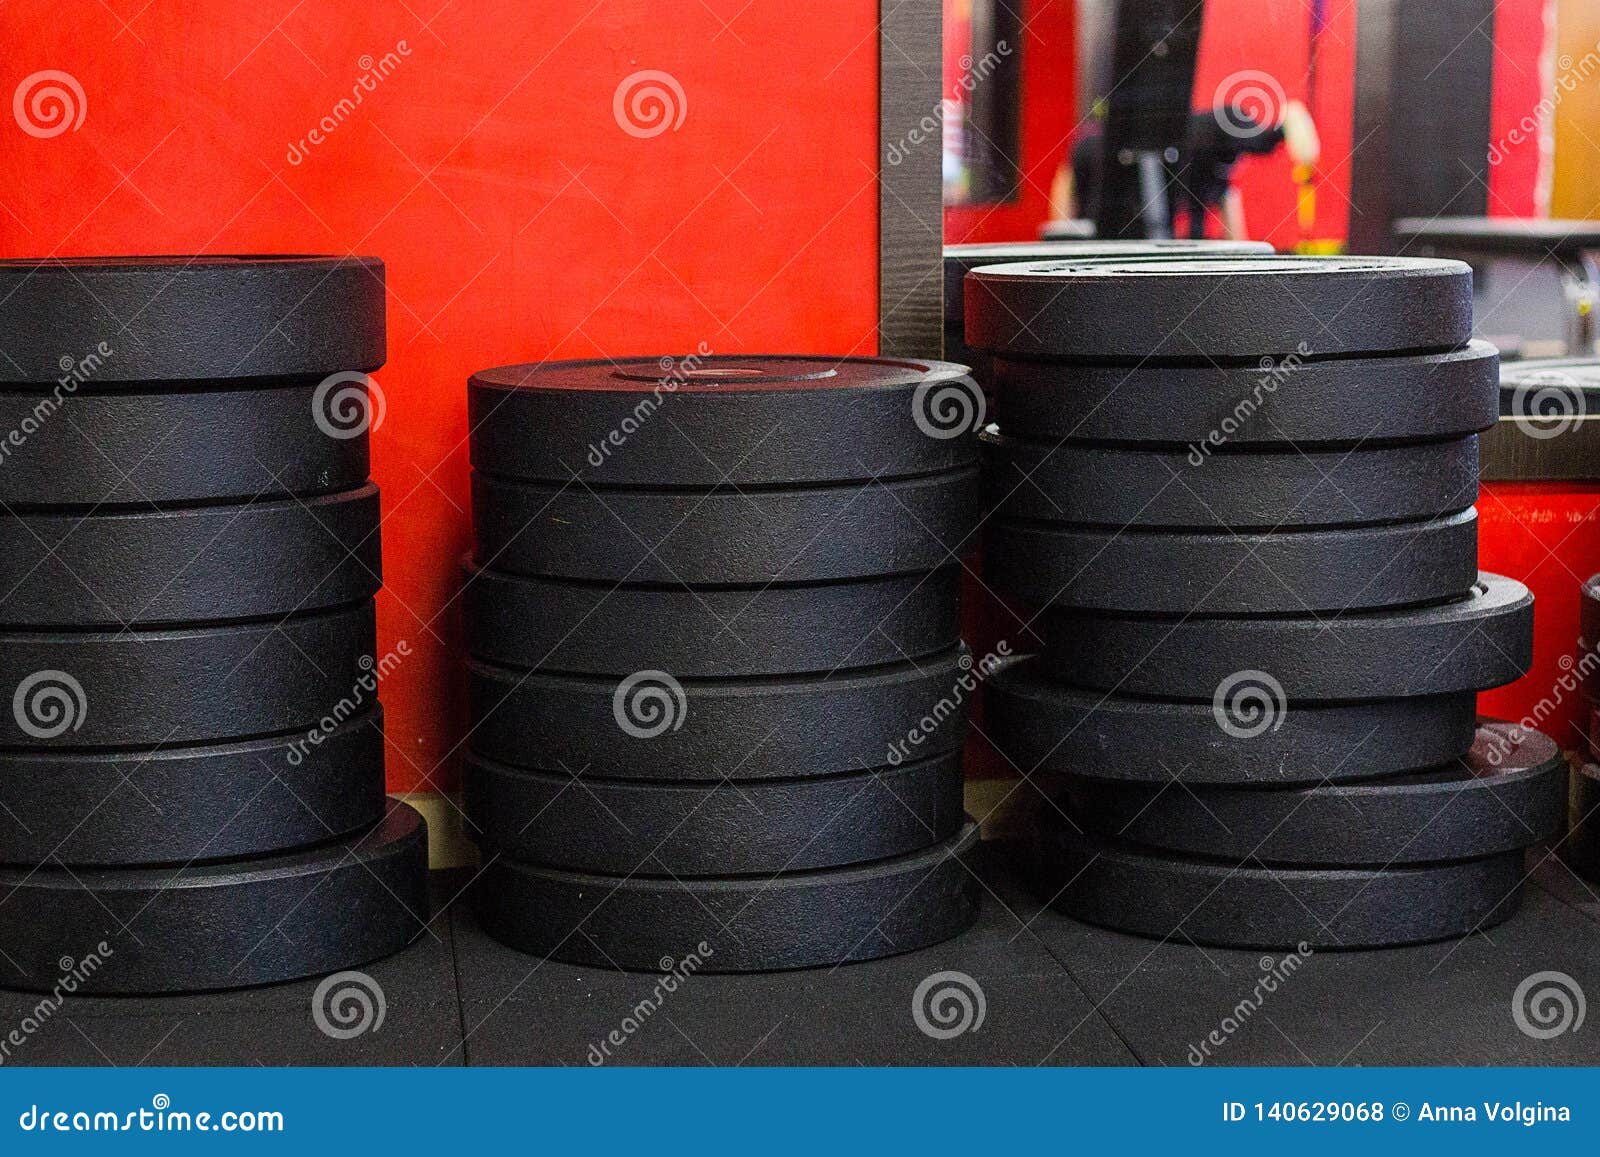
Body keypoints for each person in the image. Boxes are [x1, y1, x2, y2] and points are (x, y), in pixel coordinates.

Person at [1049, 99, 1319, 239]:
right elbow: (1225, 196)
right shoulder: (1090, 152)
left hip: (1196, 144)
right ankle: (1282, 126)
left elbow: (1226, 197)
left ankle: (1282, 125)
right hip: (1195, 148)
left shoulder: (1094, 151)